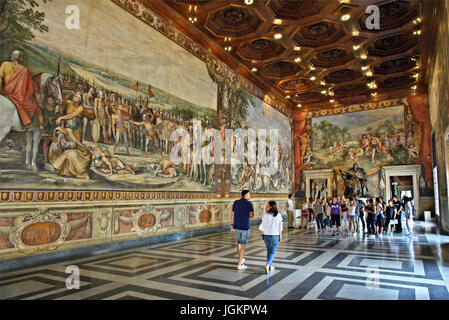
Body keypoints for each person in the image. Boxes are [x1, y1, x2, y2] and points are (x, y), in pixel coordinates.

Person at [0, 50, 42, 127]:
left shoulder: (5, 64)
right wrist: (36, 88)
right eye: (22, 57)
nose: (22, 59)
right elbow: (30, 87)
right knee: (33, 105)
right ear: (19, 58)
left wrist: (1, 90)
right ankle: (28, 125)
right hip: (18, 95)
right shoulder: (24, 69)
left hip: (7, 90)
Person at [231, 190, 254, 270]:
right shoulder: (249, 203)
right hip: (245, 226)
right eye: (249, 194)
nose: (250, 195)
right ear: (246, 195)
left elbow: (232, 214)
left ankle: (241, 258)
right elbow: (251, 215)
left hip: (237, 225)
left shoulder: (236, 202)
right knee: (243, 244)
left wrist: (231, 224)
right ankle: (239, 264)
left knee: (239, 243)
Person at [259, 201, 283, 273]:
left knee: (269, 251)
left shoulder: (265, 215)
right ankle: (268, 264)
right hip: (274, 235)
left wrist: (261, 233)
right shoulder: (278, 215)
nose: (266, 207)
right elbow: (280, 226)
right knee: (272, 252)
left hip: (266, 235)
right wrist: (280, 235)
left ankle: (270, 266)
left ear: (271, 207)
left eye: (267, 206)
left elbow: (262, 225)